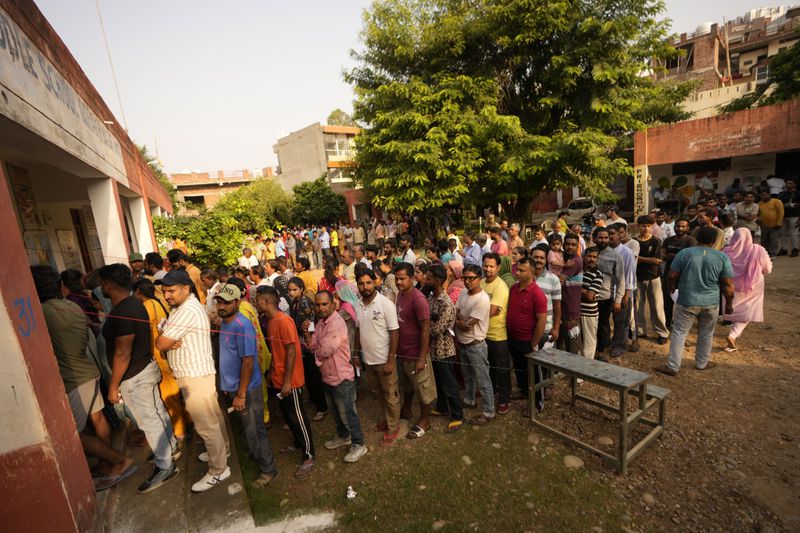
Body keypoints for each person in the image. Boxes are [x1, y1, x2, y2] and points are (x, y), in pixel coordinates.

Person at [32, 265, 136, 491]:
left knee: (75, 435)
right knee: (98, 420)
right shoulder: (70, 305)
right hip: (87, 371)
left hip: (73, 380)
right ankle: (105, 463)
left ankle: (118, 460)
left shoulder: (41, 312)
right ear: (60, 286)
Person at [99, 265, 179, 494]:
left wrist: (113, 386)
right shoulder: (135, 303)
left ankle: (166, 466)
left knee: (149, 421)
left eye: (103, 283)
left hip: (135, 376)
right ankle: (170, 447)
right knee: (157, 412)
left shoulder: (123, 311)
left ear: (109, 285)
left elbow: (122, 353)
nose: (101, 288)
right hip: (145, 367)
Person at [155, 270, 231, 493]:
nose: (167, 295)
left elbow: (160, 343)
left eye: (171, 290)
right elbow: (165, 337)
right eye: (164, 291)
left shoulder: (186, 310)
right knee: (213, 416)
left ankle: (218, 470)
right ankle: (222, 450)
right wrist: (167, 336)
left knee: (206, 424)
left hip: (195, 375)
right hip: (197, 372)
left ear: (185, 289)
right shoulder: (181, 308)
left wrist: (166, 338)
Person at [213, 284, 278, 488]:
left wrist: (240, 394)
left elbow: (248, 361)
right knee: (248, 428)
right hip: (235, 387)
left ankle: (268, 469)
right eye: (219, 302)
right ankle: (256, 453)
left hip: (247, 389)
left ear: (237, 302)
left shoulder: (242, 325)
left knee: (254, 428)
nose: (221, 306)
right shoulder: (225, 322)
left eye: (226, 302)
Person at [656, 227, 735, 376]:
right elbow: (728, 285)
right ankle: (701, 363)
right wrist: (729, 304)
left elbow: (672, 275)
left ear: (697, 237)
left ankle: (673, 366)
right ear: (713, 241)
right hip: (711, 302)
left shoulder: (684, 254)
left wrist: (671, 288)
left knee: (679, 333)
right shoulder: (721, 257)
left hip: (687, 300)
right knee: (706, 333)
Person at [257, 287, 316, 477]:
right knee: (288, 415)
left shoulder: (284, 321)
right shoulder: (271, 321)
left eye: (257, 300)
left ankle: (309, 454)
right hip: (278, 378)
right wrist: (272, 372)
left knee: (297, 416)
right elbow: (277, 351)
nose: (255, 303)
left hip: (291, 381)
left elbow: (292, 351)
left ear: (266, 301)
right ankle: (298, 442)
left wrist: (288, 381)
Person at [303, 291, 367, 463]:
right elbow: (313, 345)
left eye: (324, 304)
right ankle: (343, 435)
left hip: (342, 378)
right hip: (327, 376)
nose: (320, 308)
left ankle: (359, 444)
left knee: (348, 413)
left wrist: (315, 347)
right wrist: (308, 336)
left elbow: (324, 350)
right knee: (335, 411)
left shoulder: (336, 324)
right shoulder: (321, 323)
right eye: (317, 305)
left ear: (333, 304)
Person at [132, 279, 188, 442]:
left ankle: (180, 431)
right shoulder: (158, 302)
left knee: (169, 395)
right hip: (165, 352)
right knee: (176, 393)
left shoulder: (148, 306)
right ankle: (187, 423)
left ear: (138, 292)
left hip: (159, 355)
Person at [355, 269, 402, 447]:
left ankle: (393, 427)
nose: (365, 287)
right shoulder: (358, 305)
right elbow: (359, 330)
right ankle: (389, 420)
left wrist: (391, 360)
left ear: (374, 282)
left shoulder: (385, 304)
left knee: (391, 394)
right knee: (378, 393)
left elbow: (394, 332)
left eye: (368, 283)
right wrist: (356, 354)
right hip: (368, 360)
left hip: (384, 360)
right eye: (361, 283)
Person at [393, 263, 437, 438]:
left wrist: (421, 357)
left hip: (416, 353)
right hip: (402, 353)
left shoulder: (419, 300)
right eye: (396, 278)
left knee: (423, 389)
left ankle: (425, 421)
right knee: (407, 384)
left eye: (402, 278)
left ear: (411, 278)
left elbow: (425, 330)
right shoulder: (400, 295)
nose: (398, 282)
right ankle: (407, 409)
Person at [425, 264, 464, 433]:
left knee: (449, 383)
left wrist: (428, 325)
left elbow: (437, 329)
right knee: (439, 381)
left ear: (438, 280)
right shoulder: (432, 298)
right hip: (434, 350)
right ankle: (442, 407)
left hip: (445, 350)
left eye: (429, 278)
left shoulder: (447, 303)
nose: (426, 280)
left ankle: (457, 415)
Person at [455, 264, 495, 424]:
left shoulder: (483, 299)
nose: (467, 281)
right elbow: (456, 313)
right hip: (463, 343)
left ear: (480, 279)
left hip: (476, 345)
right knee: (468, 376)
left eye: (471, 278)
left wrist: (458, 322)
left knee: (483, 380)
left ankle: (488, 411)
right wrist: (459, 321)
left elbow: (467, 325)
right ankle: (470, 400)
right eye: (465, 278)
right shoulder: (464, 293)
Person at [506, 258, 548, 410]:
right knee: (519, 368)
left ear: (531, 272)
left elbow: (541, 321)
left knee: (534, 373)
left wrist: (533, 343)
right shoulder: (514, 288)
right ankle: (524, 391)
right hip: (513, 338)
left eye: (522, 270)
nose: (517, 273)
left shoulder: (537, 294)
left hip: (527, 341)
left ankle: (538, 403)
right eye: (517, 269)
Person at [722, 228, 773, 352]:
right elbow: (768, 269)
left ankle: (733, 333)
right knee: (747, 312)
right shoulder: (758, 250)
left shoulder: (725, 251)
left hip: (730, 285)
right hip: (753, 285)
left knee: (734, 309)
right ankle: (733, 335)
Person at [286, 276, 327, 421]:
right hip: (302, 341)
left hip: (308, 341)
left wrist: (308, 340)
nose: (291, 292)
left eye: (294, 290)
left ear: (301, 289)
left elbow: (308, 324)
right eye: (289, 290)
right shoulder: (296, 302)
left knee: (313, 374)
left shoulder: (304, 302)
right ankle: (315, 399)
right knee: (309, 374)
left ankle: (322, 407)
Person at [480, 253, 512, 415]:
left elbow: (492, 311)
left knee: (502, 369)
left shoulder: (500, 287)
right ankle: (492, 392)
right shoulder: (480, 283)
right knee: (488, 367)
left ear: (498, 268)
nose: (488, 269)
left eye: (492, 266)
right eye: (486, 265)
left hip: (498, 335)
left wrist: (478, 310)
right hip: (482, 334)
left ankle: (505, 399)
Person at [634, 215, 669, 344]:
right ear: (638, 226)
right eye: (643, 225)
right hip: (637, 278)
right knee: (638, 306)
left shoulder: (656, 241)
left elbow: (658, 260)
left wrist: (638, 258)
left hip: (654, 278)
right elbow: (633, 259)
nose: (646, 228)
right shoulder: (633, 241)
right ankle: (641, 331)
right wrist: (648, 260)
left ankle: (662, 332)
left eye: (649, 226)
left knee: (657, 307)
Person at [593, 227, 625, 357]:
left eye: (606, 237)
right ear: (594, 238)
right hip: (588, 297)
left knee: (603, 325)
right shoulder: (588, 253)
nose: (604, 240)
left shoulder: (616, 256)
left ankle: (600, 351)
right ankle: (590, 348)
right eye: (600, 237)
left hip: (605, 297)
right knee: (590, 324)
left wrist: (618, 300)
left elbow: (621, 280)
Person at [661, 218, 696, 328]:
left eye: (683, 226)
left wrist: (673, 256)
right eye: (678, 226)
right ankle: (666, 326)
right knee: (667, 303)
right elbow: (662, 254)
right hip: (668, 275)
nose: (680, 228)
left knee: (683, 304)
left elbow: (690, 258)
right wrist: (670, 256)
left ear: (687, 228)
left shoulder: (691, 241)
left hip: (685, 278)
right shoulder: (668, 240)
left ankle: (680, 327)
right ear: (674, 227)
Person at [606, 225, 634, 357]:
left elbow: (630, 276)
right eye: (607, 234)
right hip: (606, 293)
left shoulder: (626, 252)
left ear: (619, 235)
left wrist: (625, 296)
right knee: (605, 321)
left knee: (621, 322)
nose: (610, 237)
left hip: (622, 293)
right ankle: (607, 343)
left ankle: (619, 346)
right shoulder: (603, 252)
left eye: (612, 234)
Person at [557, 234, 583, 354]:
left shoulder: (575, 261)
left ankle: (575, 371)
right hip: (562, 308)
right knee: (562, 342)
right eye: (567, 244)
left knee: (573, 344)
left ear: (577, 246)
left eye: (573, 245)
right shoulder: (563, 259)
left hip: (571, 310)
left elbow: (559, 281)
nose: (569, 247)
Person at [580, 248, 603, 359]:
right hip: (576, 311)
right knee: (577, 342)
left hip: (589, 313)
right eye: (589, 256)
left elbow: (590, 297)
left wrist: (573, 286)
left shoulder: (598, 275)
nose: (591, 259)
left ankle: (585, 371)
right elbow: (588, 294)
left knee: (589, 342)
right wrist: (584, 290)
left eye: (594, 257)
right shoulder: (578, 270)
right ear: (584, 257)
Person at [758, 189, 785, 257]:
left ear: (769, 194)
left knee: (773, 240)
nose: (763, 196)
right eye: (761, 195)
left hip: (775, 225)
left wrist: (779, 222)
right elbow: (758, 214)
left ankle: (773, 254)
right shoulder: (759, 203)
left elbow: (781, 212)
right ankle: (765, 253)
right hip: (764, 225)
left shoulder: (776, 201)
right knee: (764, 240)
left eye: (764, 195)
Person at [778, 177, 800, 257]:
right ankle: (784, 249)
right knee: (783, 233)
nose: (788, 185)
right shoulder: (782, 194)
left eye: (790, 183)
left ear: (795, 184)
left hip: (794, 216)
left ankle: (795, 249)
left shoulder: (798, 193)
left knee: (793, 233)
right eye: (787, 183)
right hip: (783, 216)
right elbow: (778, 204)